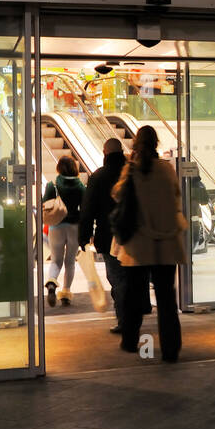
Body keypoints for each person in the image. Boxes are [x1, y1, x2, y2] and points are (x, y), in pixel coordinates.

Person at [112, 125, 186, 362]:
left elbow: (117, 195)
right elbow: (176, 198)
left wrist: (130, 164)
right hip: (165, 243)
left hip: (138, 244)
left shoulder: (132, 170)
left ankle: (131, 341)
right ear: (156, 143)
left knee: (134, 296)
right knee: (166, 299)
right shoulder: (166, 170)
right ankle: (171, 349)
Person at [79, 137, 128, 333]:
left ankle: (125, 320)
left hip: (108, 235)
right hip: (135, 235)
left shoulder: (98, 176)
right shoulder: (132, 173)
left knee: (116, 278)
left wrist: (84, 235)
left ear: (104, 153)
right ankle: (134, 313)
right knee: (131, 276)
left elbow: (88, 209)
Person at [42, 156, 85, 306]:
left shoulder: (52, 185)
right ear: (74, 168)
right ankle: (66, 293)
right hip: (74, 226)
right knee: (70, 261)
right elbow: (85, 208)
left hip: (56, 226)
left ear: (59, 168)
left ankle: (52, 283)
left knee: (56, 260)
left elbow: (45, 204)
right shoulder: (80, 186)